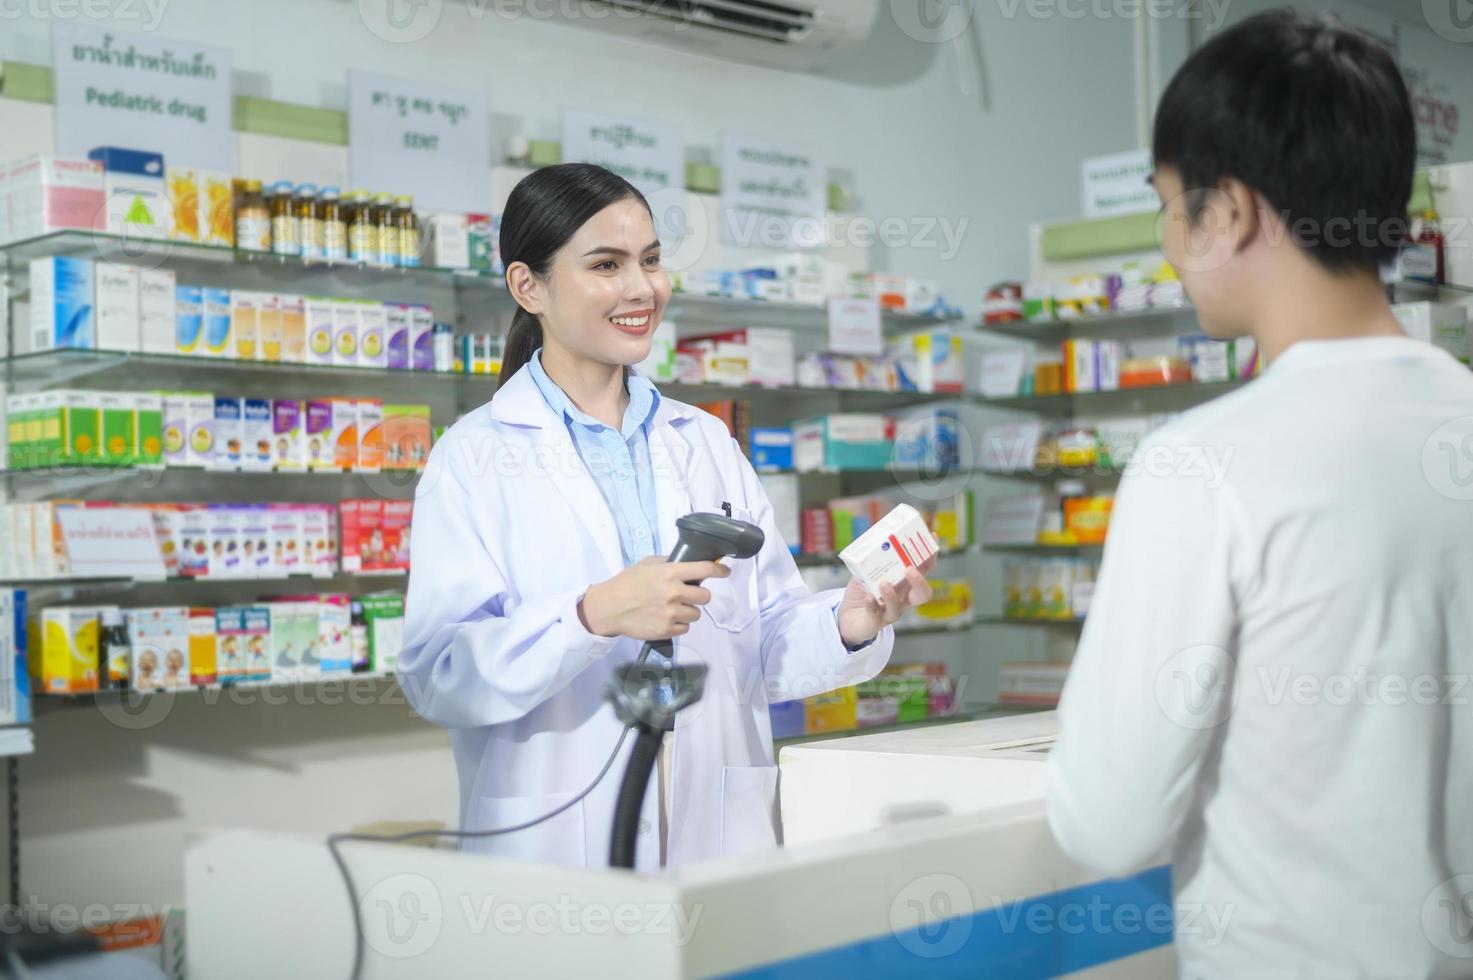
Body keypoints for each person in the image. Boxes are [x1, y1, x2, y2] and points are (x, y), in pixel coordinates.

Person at [1046, 12, 1473, 976]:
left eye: (1167, 207)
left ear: (1228, 211)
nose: (1166, 244)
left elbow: (1107, 824)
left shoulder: (1200, 465)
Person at [399, 163, 934, 871]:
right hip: (554, 844)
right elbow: (438, 673)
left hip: (711, 833)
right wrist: (590, 615)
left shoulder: (704, 441)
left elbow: (764, 639)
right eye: (605, 264)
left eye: (650, 260)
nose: (640, 288)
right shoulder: (473, 457)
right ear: (529, 286)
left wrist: (852, 618)